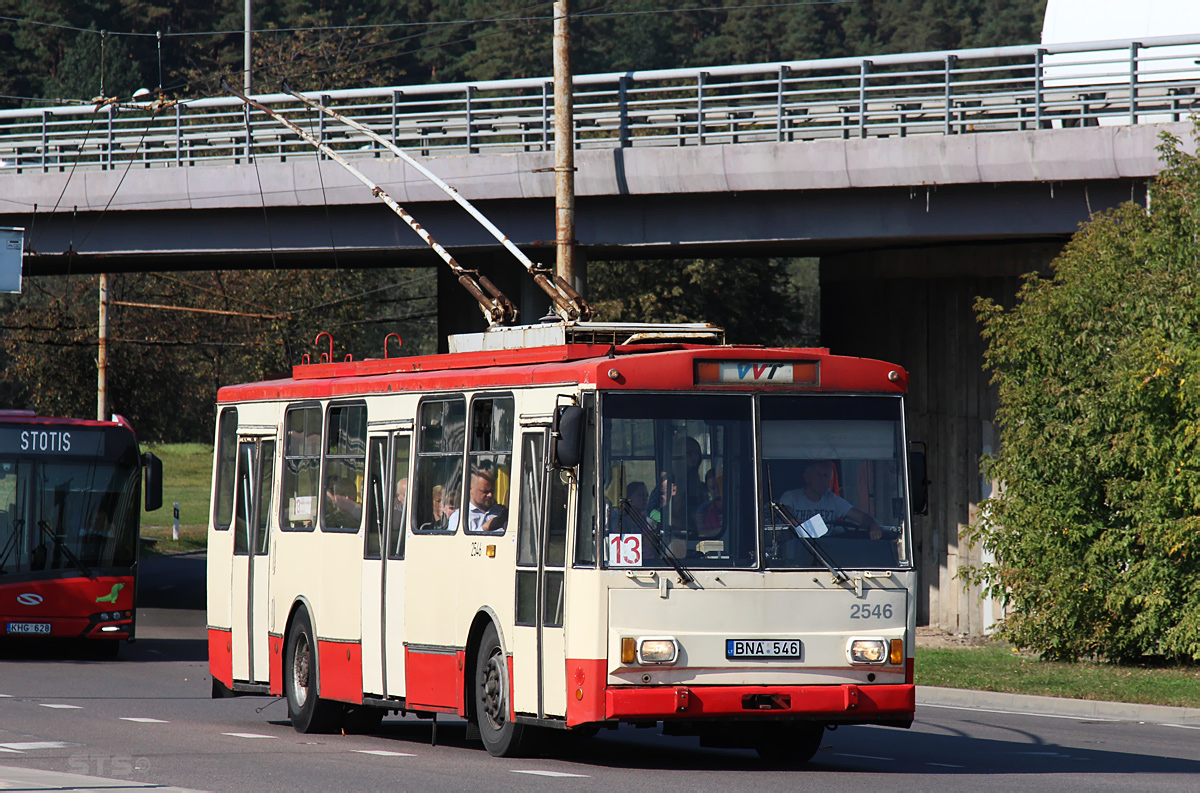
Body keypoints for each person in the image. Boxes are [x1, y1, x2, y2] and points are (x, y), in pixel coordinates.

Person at [778, 460, 882, 540]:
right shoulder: (791, 497)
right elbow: (784, 514)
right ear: (807, 477)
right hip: (800, 549)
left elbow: (861, 517)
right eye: (818, 475)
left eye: (825, 476)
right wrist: (791, 520)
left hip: (828, 554)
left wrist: (874, 524)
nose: (822, 480)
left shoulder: (833, 500)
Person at [466, 468, 507, 532]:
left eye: (492, 491)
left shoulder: (501, 513)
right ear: (471, 489)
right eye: (485, 491)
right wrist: (485, 527)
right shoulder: (460, 517)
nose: (490, 495)